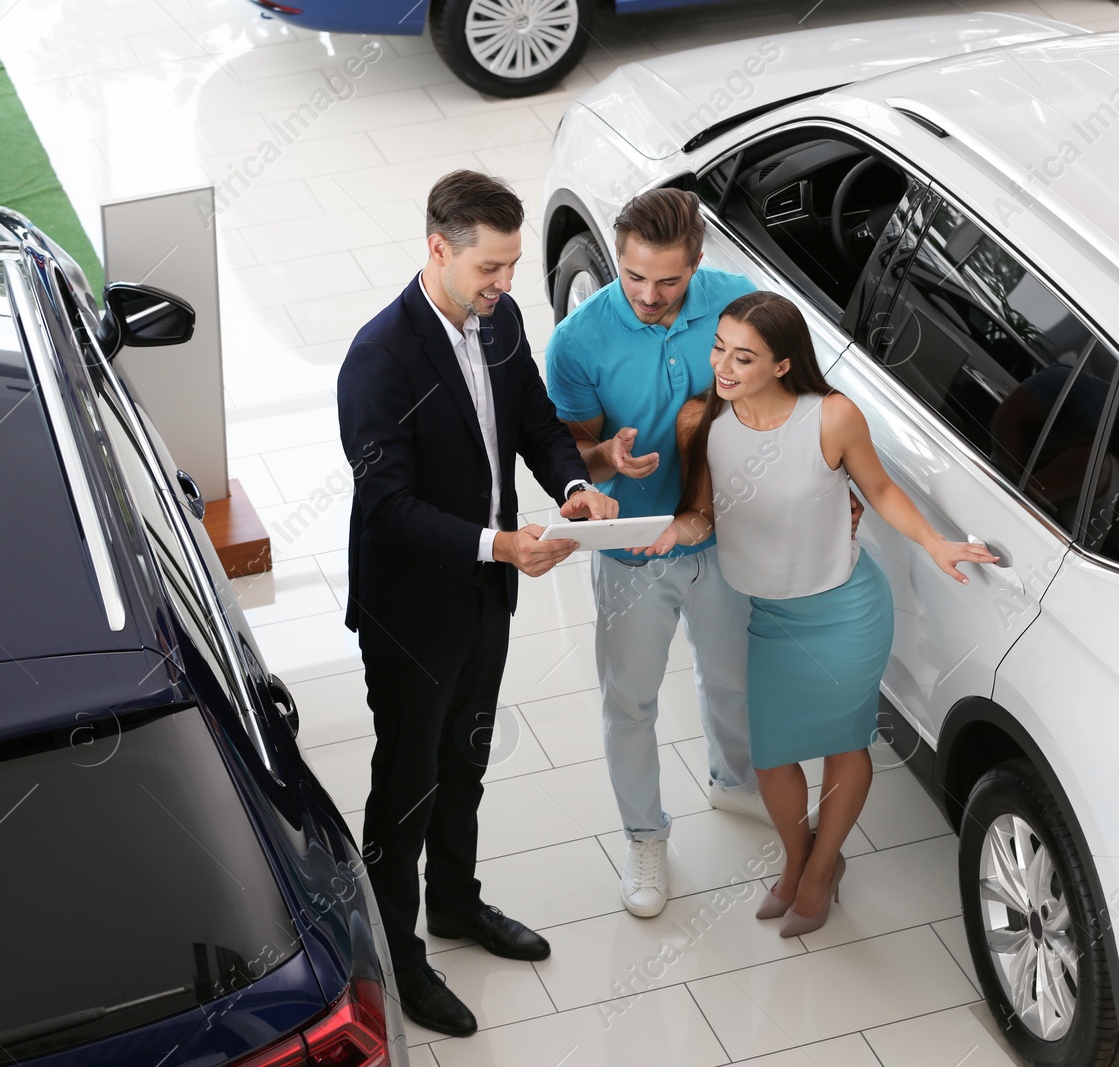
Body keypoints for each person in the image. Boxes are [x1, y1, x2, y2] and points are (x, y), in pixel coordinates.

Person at [337, 169, 616, 1036]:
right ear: (438, 249)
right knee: (407, 783)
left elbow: (533, 419)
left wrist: (572, 483)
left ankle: (456, 903)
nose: (504, 285)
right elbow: (386, 504)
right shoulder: (378, 358)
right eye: (490, 268)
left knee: (468, 756)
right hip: (412, 609)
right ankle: (401, 952)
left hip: (487, 594)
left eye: (509, 266)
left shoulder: (500, 320)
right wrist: (499, 541)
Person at [642, 291, 997, 936]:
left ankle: (819, 867)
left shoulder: (831, 418)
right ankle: (801, 859)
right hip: (773, 617)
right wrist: (676, 532)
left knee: (843, 742)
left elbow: (881, 489)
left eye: (743, 357)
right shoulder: (702, 422)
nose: (722, 366)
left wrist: (936, 543)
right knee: (772, 757)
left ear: (782, 366)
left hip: (845, 612)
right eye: (719, 347)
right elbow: (702, 512)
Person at [543, 188, 766, 919]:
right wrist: (604, 455)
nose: (647, 294)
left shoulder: (739, 305)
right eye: (633, 276)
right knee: (630, 703)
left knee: (731, 678)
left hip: (723, 539)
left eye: (667, 281)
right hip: (632, 552)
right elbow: (568, 453)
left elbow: (786, 401)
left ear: (696, 265)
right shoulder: (578, 340)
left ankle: (735, 780)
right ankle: (645, 835)